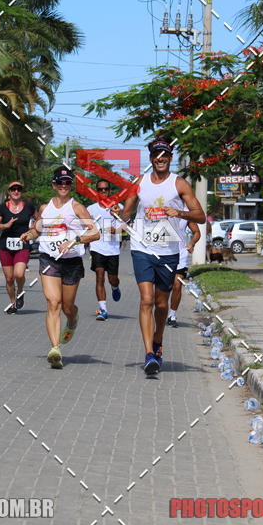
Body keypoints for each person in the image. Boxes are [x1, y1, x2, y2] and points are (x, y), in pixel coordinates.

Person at [119, 136, 205, 375]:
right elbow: (126, 214)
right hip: (142, 248)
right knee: (146, 299)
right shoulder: (140, 183)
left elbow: (200, 216)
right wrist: (116, 217)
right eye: (156, 155)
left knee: (160, 303)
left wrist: (179, 212)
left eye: (165, 155)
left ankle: (158, 340)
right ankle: (149, 354)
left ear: (170, 158)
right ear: (151, 159)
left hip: (168, 251)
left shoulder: (179, 184)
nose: (161, 159)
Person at [20, 166, 100, 369]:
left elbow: (96, 233)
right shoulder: (45, 208)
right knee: (53, 302)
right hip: (49, 259)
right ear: (53, 185)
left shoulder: (77, 207)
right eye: (60, 182)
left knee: (66, 306)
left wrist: (76, 240)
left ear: (70, 186)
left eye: (67, 183)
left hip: (72, 262)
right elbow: (37, 230)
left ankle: (73, 319)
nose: (63, 186)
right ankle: (55, 349)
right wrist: (27, 236)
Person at [0, 182, 36, 313]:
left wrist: (32, 230)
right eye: (13, 189)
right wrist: (6, 225)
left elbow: (39, 221)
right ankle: (12, 303)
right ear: (9, 192)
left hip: (22, 244)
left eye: (19, 189)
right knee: (10, 279)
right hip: (5, 245)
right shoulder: (2, 207)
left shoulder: (28, 206)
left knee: (19, 273)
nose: (16, 191)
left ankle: (21, 291)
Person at [87, 181, 123, 320]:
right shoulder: (91, 209)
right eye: (100, 189)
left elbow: (125, 226)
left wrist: (116, 230)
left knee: (112, 279)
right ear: (97, 191)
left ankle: (115, 287)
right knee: (99, 277)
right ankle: (103, 309)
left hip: (113, 250)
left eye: (106, 189)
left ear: (110, 190)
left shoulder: (117, 207)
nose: (103, 192)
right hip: (97, 248)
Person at [167, 219, 201, 328]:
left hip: (180, 255)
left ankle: (172, 315)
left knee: (177, 285)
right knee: (163, 287)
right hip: (162, 254)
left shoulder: (185, 213)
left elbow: (197, 232)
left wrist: (192, 243)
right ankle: (161, 312)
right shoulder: (160, 208)